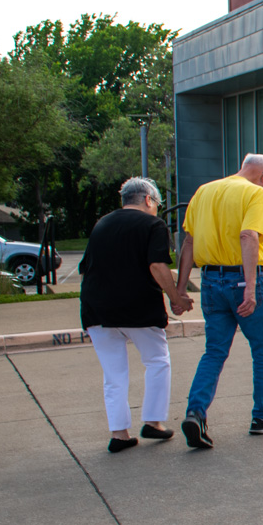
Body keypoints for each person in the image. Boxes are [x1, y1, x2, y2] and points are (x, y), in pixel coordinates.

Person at [174, 153, 263, 448]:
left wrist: (180, 289)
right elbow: (249, 236)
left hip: (210, 281)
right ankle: (262, 414)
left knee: (214, 351)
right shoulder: (255, 194)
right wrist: (250, 289)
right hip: (242, 280)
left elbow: (188, 241)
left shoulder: (204, 191)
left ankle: (195, 413)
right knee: (262, 349)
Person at [80, 177, 190, 453]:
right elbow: (156, 265)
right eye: (156, 203)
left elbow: (86, 265)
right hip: (138, 306)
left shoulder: (102, 224)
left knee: (113, 373)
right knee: (157, 360)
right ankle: (153, 422)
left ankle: (119, 434)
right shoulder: (153, 224)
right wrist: (176, 298)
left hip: (96, 308)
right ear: (148, 200)